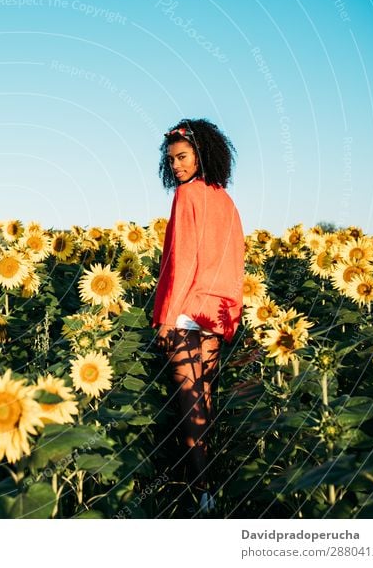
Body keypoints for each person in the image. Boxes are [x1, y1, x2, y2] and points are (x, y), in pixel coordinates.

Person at [151, 118, 245, 514]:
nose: (176, 167)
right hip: (217, 311)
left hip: (187, 310)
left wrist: (168, 316)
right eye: (171, 160)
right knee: (203, 398)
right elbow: (236, 258)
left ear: (201, 154)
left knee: (189, 406)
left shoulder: (188, 195)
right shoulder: (224, 199)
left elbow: (182, 260)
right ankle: (213, 485)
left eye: (182, 157)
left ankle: (200, 492)